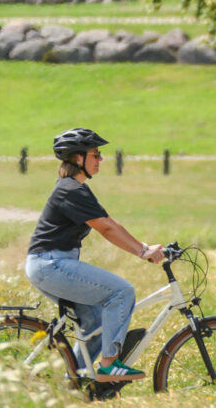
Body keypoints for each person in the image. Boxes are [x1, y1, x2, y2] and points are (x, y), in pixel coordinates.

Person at [25, 128, 164, 381]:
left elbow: (108, 222)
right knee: (122, 292)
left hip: (51, 263)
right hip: (51, 264)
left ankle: (75, 384)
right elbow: (106, 228)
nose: (101, 160)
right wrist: (142, 251)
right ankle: (109, 365)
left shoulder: (77, 189)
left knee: (98, 325)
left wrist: (143, 246)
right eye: (96, 155)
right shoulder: (71, 190)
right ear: (79, 159)